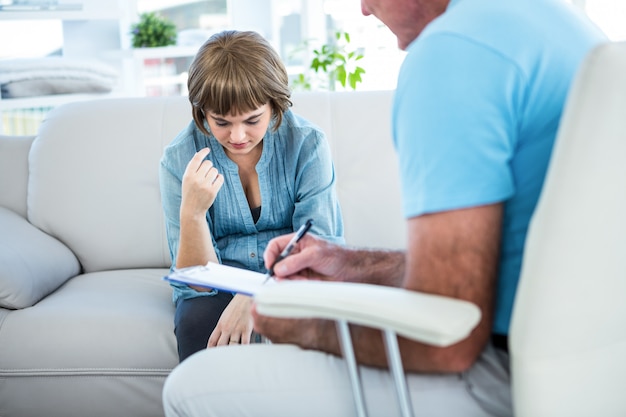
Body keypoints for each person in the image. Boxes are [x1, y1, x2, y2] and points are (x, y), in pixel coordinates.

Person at [162, 0, 607, 415]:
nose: (364, 7)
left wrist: (303, 328)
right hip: (591, 359)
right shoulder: (555, 17)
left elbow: (449, 338)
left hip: (504, 369)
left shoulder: (448, 55)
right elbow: (483, 268)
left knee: (186, 390)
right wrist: (350, 263)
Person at [159, 30, 344, 362]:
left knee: (321, 323)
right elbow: (195, 284)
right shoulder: (180, 157)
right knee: (196, 324)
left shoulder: (307, 145)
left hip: (294, 278)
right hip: (218, 287)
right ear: (202, 113)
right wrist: (193, 214)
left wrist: (259, 291)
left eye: (252, 120)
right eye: (221, 122)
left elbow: (320, 247)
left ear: (275, 105)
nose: (238, 136)